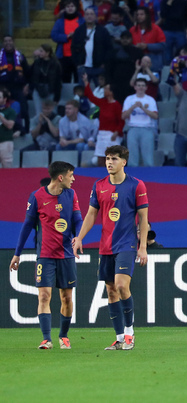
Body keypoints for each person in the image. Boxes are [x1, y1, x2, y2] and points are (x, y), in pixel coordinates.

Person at [73, 145, 149, 350]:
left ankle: (130, 333)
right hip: (105, 245)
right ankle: (119, 338)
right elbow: (91, 214)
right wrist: (79, 237)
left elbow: (143, 218)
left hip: (127, 243)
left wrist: (143, 247)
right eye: (107, 158)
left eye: (114, 159)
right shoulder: (98, 185)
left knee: (122, 285)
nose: (109, 162)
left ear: (124, 162)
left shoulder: (137, 185)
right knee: (111, 291)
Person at [10, 161, 82, 349]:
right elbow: (27, 226)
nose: (73, 179)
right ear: (61, 177)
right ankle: (46, 338)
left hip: (66, 255)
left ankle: (64, 336)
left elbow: (77, 220)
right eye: (70, 175)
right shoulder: (36, 196)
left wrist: (78, 237)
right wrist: (17, 254)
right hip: (45, 255)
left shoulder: (71, 195)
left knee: (66, 298)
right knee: (44, 296)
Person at [83, 73, 124, 167]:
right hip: (101, 134)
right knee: (101, 158)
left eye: (106, 89)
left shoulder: (117, 105)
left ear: (111, 92)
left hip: (112, 134)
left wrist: (117, 132)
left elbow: (121, 121)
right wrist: (86, 83)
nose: (104, 90)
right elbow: (91, 97)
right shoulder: (103, 102)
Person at [122, 78, 158, 167]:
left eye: (142, 86)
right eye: (138, 85)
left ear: (146, 87)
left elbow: (155, 116)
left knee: (148, 159)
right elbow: (123, 116)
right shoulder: (129, 99)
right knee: (132, 159)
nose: (140, 87)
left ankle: (150, 179)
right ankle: (132, 179)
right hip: (132, 128)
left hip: (147, 129)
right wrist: (133, 107)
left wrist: (143, 108)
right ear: (135, 87)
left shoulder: (150, 100)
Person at [71, 7, 113, 85]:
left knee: (100, 92)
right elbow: (73, 48)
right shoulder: (79, 30)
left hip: (98, 67)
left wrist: (104, 63)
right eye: (87, 14)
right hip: (83, 67)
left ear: (95, 16)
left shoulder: (103, 30)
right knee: (82, 92)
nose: (89, 16)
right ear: (84, 16)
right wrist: (77, 64)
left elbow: (109, 48)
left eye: (91, 14)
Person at [0, 35, 31, 133]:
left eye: (10, 40)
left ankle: (25, 131)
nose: (8, 43)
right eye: (5, 41)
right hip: (3, 87)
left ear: (13, 42)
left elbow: (27, 72)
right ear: (3, 43)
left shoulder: (20, 56)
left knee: (24, 109)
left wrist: (27, 85)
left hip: (18, 87)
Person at [51, 0, 85, 83]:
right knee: (65, 79)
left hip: (79, 55)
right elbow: (54, 35)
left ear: (76, 8)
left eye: (72, 6)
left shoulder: (82, 21)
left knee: (79, 79)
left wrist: (76, 36)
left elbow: (87, 34)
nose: (70, 8)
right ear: (64, 8)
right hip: (64, 56)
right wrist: (66, 37)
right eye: (68, 7)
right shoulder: (59, 22)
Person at [129, 6, 167, 74]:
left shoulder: (156, 28)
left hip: (153, 63)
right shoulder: (132, 29)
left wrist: (147, 46)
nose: (139, 16)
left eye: (141, 14)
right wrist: (135, 47)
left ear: (147, 15)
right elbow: (129, 45)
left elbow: (162, 46)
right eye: (137, 14)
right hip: (137, 63)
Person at [30, 44, 62, 116]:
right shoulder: (37, 62)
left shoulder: (55, 64)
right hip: (38, 89)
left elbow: (58, 81)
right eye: (39, 51)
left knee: (52, 113)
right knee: (39, 113)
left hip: (51, 89)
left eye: (41, 51)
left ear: (47, 53)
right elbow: (30, 74)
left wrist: (57, 97)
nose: (39, 53)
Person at [159, 0, 187, 65]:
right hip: (167, 30)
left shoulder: (183, 2)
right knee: (167, 53)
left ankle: (181, 68)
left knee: (182, 51)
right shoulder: (164, 2)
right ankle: (168, 71)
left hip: (180, 30)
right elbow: (163, 15)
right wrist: (168, 4)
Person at [0, 87, 17, 168]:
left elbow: (10, 125)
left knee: (7, 166)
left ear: (4, 99)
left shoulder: (10, 111)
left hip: (5, 142)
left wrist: (1, 116)